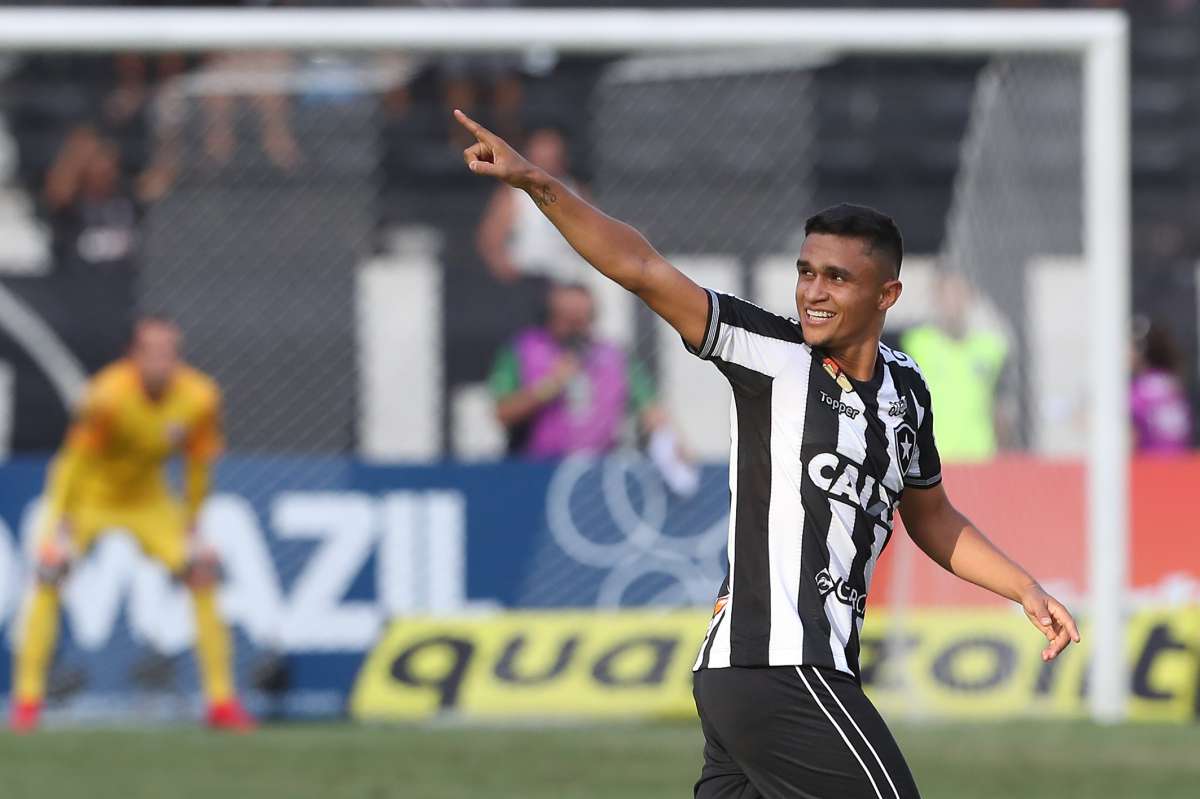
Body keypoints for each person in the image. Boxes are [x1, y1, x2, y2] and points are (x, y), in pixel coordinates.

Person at [454, 108, 1079, 798]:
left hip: (774, 675)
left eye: (836, 277)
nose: (812, 291)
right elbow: (643, 268)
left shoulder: (907, 389)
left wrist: (1024, 588)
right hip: (778, 665)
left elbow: (931, 515)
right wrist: (537, 182)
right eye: (806, 271)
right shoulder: (771, 355)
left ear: (887, 294)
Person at [10, 316, 254, 733]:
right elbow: (73, 463)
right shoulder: (106, 396)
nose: (161, 361)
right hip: (92, 499)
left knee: (202, 572)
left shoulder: (199, 398)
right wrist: (57, 527)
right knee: (49, 574)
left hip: (149, 501)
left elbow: (197, 468)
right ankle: (27, 703)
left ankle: (221, 702)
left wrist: (195, 525)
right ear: (133, 356)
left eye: (169, 352)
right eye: (151, 352)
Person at [490, 281, 698, 494]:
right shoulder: (523, 351)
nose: (575, 327)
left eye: (582, 319)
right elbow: (503, 412)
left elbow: (650, 407)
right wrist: (549, 386)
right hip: (534, 471)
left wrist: (672, 441)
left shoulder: (614, 357)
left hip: (598, 472)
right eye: (567, 318)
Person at [898, 271, 1010, 462]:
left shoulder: (991, 349)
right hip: (931, 458)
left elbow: (1001, 407)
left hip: (979, 458)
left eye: (959, 295)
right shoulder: (915, 344)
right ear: (936, 299)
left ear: (971, 298)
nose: (953, 304)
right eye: (947, 296)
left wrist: (1004, 454)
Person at [476, 126, 588, 283]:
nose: (547, 160)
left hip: (571, 275)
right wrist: (506, 272)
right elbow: (491, 240)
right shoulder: (513, 193)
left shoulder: (576, 191)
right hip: (527, 276)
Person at [1130, 316, 1193, 453]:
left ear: (1139, 351)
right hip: (1182, 462)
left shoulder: (1137, 391)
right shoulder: (1173, 383)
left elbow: (1130, 438)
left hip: (1149, 463)